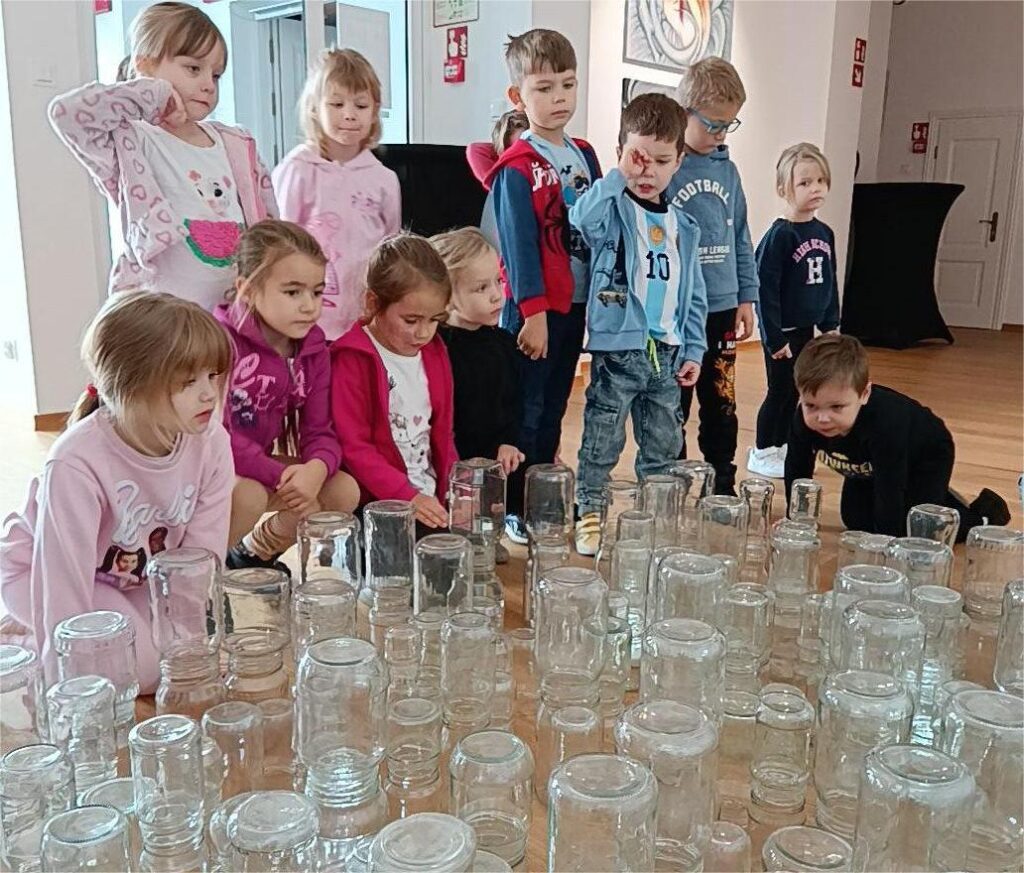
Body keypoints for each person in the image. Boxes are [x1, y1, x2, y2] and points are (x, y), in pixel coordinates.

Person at [0, 292, 234, 690]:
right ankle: (23, 647)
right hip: (39, 577)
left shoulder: (211, 442)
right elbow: (63, 592)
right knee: (141, 670)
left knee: (175, 659)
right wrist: (66, 690)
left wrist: (193, 651)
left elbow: (197, 567)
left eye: (213, 376)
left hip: (135, 579)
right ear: (133, 387)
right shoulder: (75, 462)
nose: (210, 393)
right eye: (188, 381)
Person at [48, 2, 277, 309]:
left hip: (235, 314)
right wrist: (151, 93)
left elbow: (270, 222)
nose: (208, 85)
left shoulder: (235, 142)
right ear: (145, 66)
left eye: (216, 75)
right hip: (164, 318)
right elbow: (66, 113)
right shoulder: (130, 139)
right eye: (193, 68)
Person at [569, 94, 708, 555]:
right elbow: (580, 217)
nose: (648, 171)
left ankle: (656, 514)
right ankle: (590, 508)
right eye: (638, 158)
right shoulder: (611, 211)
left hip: (667, 353)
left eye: (661, 161)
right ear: (622, 154)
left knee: (664, 441)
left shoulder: (685, 226)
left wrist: (694, 347)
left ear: (679, 160)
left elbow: (694, 293)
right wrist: (617, 177)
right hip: (618, 351)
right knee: (603, 436)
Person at [487, 29, 602, 543]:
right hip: (534, 312)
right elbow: (517, 247)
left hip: (575, 304)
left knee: (555, 405)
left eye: (568, 85)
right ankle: (516, 506)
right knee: (527, 410)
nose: (559, 98)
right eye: (544, 88)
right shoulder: (516, 166)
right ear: (519, 96)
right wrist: (532, 313)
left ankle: (543, 496)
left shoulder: (585, 154)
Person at [215, 220, 359, 572]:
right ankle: (203, 577)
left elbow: (320, 431)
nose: (309, 306)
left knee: (343, 490)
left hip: (260, 469)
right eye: (293, 292)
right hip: (211, 469)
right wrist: (281, 477)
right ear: (247, 290)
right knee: (248, 495)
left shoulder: (314, 350)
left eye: (317, 292)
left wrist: (315, 469)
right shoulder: (219, 342)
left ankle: (252, 552)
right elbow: (217, 436)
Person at [785, 334, 1011, 541]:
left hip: (926, 454)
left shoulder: (885, 424)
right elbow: (797, 468)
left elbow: (890, 488)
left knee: (918, 528)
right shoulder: (802, 421)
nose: (823, 418)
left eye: (837, 407)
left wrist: (887, 544)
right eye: (811, 405)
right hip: (868, 463)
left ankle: (983, 517)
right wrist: (794, 520)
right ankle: (938, 497)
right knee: (856, 520)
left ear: (864, 394)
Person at [667, 57, 758, 495]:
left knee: (721, 400)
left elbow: (741, 235)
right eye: (713, 124)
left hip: (721, 307)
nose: (721, 133)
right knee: (674, 402)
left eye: (728, 125)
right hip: (678, 312)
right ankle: (673, 477)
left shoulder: (728, 171)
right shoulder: (668, 166)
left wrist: (746, 297)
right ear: (684, 112)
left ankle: (722, 479)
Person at [330, 234, 458, 531]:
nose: (423, 333)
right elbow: (354, 446)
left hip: (429, 500)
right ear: (373, 302)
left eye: (434, 320)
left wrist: (453, 488)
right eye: (411, 320)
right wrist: (407, 496)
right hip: (377, 507)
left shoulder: (435, 351)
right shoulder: (352, 359)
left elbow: (443, 431)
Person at [273, 49, 401, 342]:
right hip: (307, 319)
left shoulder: (384, 179)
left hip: (366, 320)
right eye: (337, 104)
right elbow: (280, 244)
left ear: (374, 111)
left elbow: (391, 250)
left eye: (360, 105)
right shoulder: (297, 169)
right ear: (315, 108)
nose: (349, 114)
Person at [432, 228, 524, 561]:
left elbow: (514, 399)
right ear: (447, 295)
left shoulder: (503, 343)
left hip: (492, 449)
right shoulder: (437, 347)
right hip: (451, 450)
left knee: (493, 495)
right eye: (481, 288)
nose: (497, 295)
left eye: (498, 282)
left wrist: (509, 441)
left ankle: (486, 537)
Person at [749, 143, 840, 480]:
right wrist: (773, 337)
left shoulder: (824, 233)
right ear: (783, 188)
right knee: (780, 391)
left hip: (807, 331)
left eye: (821, 181)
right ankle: (763, 450)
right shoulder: (780, 236)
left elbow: (829, 280)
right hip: (782, 333)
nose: (815, 188)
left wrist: (830, 323)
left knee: (799, 392)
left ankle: (784, 444)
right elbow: (765, 291)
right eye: (805, 182)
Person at [465, 109, 530, 251]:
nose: (521, 156)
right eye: (513, 150)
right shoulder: (503, 181)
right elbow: (476, 149)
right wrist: (504, 154)